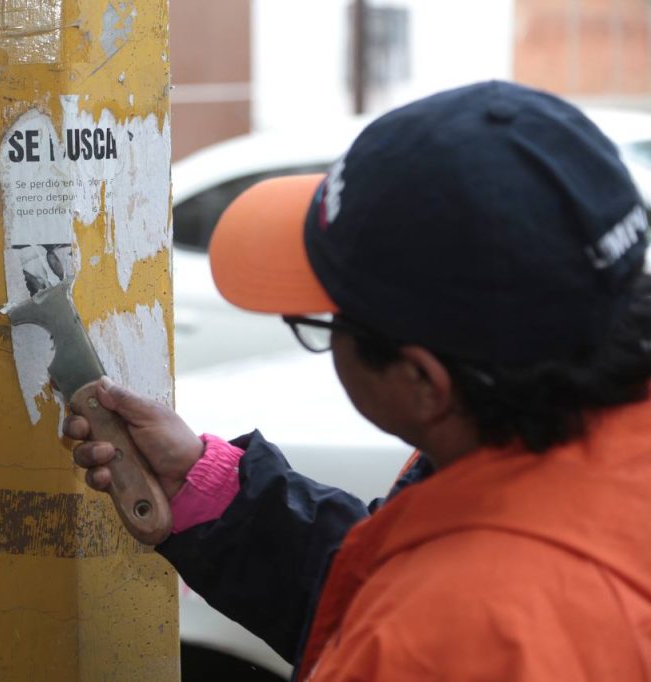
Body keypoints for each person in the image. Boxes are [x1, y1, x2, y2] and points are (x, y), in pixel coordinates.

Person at [66, 81, 651, 679]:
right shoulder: (558, 471)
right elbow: (384, 573)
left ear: (424, 380)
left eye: (322, 319)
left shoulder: (431, 640)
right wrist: (203, 483)